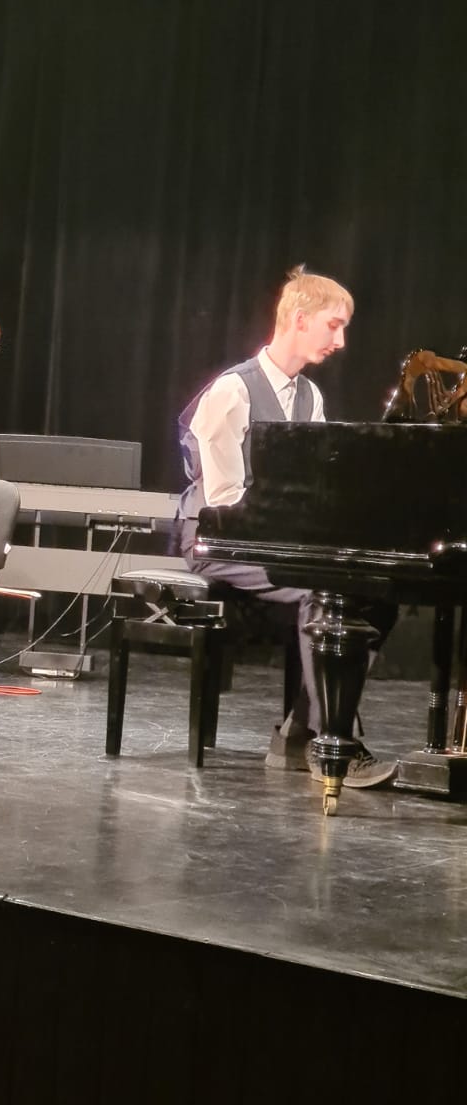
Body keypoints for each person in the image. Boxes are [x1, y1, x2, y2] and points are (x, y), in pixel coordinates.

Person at [178, 265, 395, 788]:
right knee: (322, 590)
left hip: (273, 539)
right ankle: (333, 743)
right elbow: (224, 499)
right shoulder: (232, 390)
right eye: (333, 326)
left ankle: (301, 730)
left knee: (377, 595)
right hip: (218, 540)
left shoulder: (310, 397)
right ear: (299, 319)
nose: (340, 341)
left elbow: (311, 484)